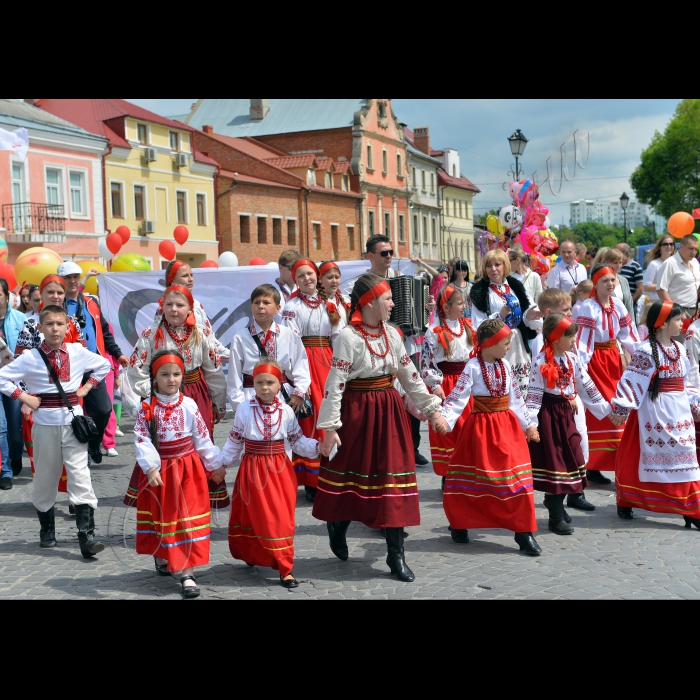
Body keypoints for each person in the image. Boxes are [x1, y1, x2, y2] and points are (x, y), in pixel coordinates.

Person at [316, 273, 446, 582]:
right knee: (355, 478)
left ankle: (394, 554)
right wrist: (330, 427)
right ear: (370, 302)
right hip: (358, 412)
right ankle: (339, 523)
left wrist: (432, 410)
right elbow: (335, 384)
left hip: (389, 413)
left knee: (393, 482)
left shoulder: (392, 334)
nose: (392, 303)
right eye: (387, 298)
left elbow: (409, 376)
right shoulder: (349, 337)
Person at [0, 305, 110, 557]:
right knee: (46, 476)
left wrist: (85, 388)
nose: (55, 328)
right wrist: (24, 396)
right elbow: (2, 377)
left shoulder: (77, 351)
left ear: (68, 327)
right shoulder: (31, 357)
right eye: (49, 324)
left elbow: (104, 365)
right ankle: (47, 530)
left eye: (60, 323)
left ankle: (87, 536)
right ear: (40, 328)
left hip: (74, 423)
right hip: (45, 424)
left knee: (80, 474)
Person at [440, 319, 542, 555]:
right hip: (480, 430)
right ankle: (461, 522)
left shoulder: (506, 366)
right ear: (489, 344)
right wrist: (445, 418)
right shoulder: (473, 367)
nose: (508, 347)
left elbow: (516, 398)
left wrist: (529, 425)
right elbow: (458, 396)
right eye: (505, 343)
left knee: (515, 481)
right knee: (475, 479)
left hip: (507, 429)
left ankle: (523, 532)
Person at [126, 285, 229, 509]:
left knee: (199, 441)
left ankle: (196, 495)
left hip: (195, 391)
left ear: (190, 308)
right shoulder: (150, 335)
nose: (174, 309)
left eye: (180, 305)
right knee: (161, 443)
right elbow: (136, 370)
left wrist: (219, 402)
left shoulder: (201, 333)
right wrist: (152, 396)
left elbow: (213, 369)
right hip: (160, 397)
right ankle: (163, 495)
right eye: (169, 304)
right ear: (162, 307)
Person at [220, 359, 319, 589]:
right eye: (259, 382)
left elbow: (297, 441)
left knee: (281, 519)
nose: (265, 387)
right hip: (252, 471)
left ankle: (285, 568)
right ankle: (254, 554)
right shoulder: (244, 409)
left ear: (279, 384)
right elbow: (235, 441)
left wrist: (318, 447)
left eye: (270, 382)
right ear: (253, 384)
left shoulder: (285, 411)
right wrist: (222, 464)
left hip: (280, 472)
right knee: (254, 516)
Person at [133, 350, 222, 599]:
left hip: (188, 470)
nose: (171, 379)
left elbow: (202, 437)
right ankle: (163, 555)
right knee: (164, 515)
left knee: (186, 519)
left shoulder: (189, 405)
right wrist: (150, 467)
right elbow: (141, 439)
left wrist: (215, 464)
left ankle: (187, 573)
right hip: (160, 472)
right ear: (154, 378)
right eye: (165, 374)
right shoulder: (147, 408)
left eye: (176, 374)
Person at [612, 301, 700, 530]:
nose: (683, 323)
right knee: (637, 455)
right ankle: (629, 498)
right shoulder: (644, 351)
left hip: (679, 412)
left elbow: (686, 382)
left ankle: (689, 506)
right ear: (662, 323)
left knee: (686, 455)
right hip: (653, 411)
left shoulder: (679, 350)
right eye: (679, 319)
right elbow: (631, 380)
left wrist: (695, 404)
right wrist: (622, 408)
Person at [527, 314, 612, 534]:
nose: (574, 339)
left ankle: (555, 502)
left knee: (574, 457)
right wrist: (532, 423)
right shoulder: (540, 361)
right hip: (549, 415)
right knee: (556, 464)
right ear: (555, 338)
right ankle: (555, 515)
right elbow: (534, 394)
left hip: (567, 415)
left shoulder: (572, 359)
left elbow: (586, 385)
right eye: (570, 336)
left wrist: (606, 409)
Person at [363, 234, 436, 467]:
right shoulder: (364, 283)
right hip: (378, 345)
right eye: (384, 253)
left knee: (413, 391)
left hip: (407, 344)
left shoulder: (400, 278)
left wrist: (426, 308)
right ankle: (387, 448)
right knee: (387, 396)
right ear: (370, 256)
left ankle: (413, 447)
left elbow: (417, 315)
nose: (389, 257)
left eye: (391, 252)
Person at [14, 275, 86, 498]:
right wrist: (25, 397)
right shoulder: (30, 324)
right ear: (41, 296)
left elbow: (82, 358)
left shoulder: (71, 322)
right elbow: (20, 362)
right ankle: (46, 499)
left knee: (75, 451)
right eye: (50, 292)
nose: (55, 296)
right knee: (45, 453)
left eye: (59, 292)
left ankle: (77, 498)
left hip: (70, 396)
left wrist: (83, 387)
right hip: (39, 399)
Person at [282, 259, 345, 502]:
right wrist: (299, 380)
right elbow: (290, 343)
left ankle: (331, 472)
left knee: (331, 413)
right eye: (300, 276)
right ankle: (311, 479)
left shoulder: (330, 304)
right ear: (295, 280)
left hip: (327, 361)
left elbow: (338, 336)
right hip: (305, 361)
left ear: (317, 276)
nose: (306, 278)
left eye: (310, 274)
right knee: (311, 419)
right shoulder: (292, 306)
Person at [58, 261, 128, 466]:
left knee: (104, 410)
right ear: (61, 281)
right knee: (73, 414)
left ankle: (94, 443)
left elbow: (105, 332)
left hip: (93, 366)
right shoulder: (57, 306)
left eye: (75, 277)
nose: (72, 281)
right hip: (69, 369)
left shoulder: (91, 302)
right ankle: (78, 455)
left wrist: (118, 354)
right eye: (67, 278)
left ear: (79, 279)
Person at [576, 265, 639, 484]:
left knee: (619, 406)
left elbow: (628, 335)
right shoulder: (588, 307)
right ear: (595, 284)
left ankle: (616, 463)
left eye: (613, 280)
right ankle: (593, 463)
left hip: (613, 359)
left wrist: (642, 355)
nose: (610, 284)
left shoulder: (618, 304)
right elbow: (584, 340)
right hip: (596, 360)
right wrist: (580, 367)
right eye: (605, 281)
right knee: (603, 408)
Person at [227, 284, 310, 413]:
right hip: (251, 397)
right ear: (251, 307)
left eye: (266, 302)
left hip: (283, 396)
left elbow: (301, 366)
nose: (261, 306)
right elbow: (234, 377)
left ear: (277, 308)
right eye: (256, 302)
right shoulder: (240, 337)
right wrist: (240, 407)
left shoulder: (288, 334)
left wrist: (298, 393)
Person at [469, 249, 542, 396]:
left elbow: (527, 310)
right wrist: (499, 316)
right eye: (489, 266)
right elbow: (478, 324)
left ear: (505, 266)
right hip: (495, 344)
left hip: (517, 344)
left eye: (497, 264)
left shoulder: (516, 286)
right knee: (501, 388)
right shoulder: (480, 290)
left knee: (522, 390)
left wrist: (530, 316)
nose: (493, 269)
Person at [421, 286, 474, 480]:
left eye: (464, 303)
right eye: (460, 303)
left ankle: (466, 473)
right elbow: (425, 362)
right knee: (450, 430)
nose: (463, 307)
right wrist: (435, 385)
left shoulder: (468, 326)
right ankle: (450, 475)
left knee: (468, 428)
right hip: (447, 385)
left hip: (467, 384)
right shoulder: (434, 331)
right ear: (446, 306)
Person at [155, 260, 231, 360]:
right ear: (172, 280)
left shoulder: (197, 306)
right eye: (185, 276)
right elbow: (156, 340)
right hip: (171, 366)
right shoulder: (164, 308)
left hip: (196, 369)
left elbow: (210, 341)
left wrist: (234, 356)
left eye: (191, 275)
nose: (190, 279)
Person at [657, 234, 700, 321]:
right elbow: (661, 290)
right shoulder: (670, 263)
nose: (694, 252)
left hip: (696, 311)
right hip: (679, 311)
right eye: (691, 248)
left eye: (696, 249)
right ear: (681, 247)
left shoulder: (695, 262)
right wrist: (675, 311)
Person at [591, 247, 635, 320]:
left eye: (620, 262)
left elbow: (629, 305)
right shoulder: (600, 280)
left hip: (625, 323)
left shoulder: (624, 280)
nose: (618, 265)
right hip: (607, 322)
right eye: (615, 263)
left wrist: (632, 325)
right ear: (606, 263)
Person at [643, 235, 676, 303]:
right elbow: (646, 286)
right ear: (660, 247)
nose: (669, 246)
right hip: (658, 302)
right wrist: (664, 286)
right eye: (665, 244)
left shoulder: (676, 263)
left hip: (674, 301)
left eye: (671, 244)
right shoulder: (654, 264)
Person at [319, 261, 351, 325]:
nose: (334, 281)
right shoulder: (316, 303)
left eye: (337, 277)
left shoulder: (345, 301)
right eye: (330, 277)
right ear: (320, 279)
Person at [617, 243, 644, 307]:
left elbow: (640, 288)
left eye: (618, 252)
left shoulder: (635, 266)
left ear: (626, 253)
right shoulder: (616, 266)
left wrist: (629, 303)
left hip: (630, 306)